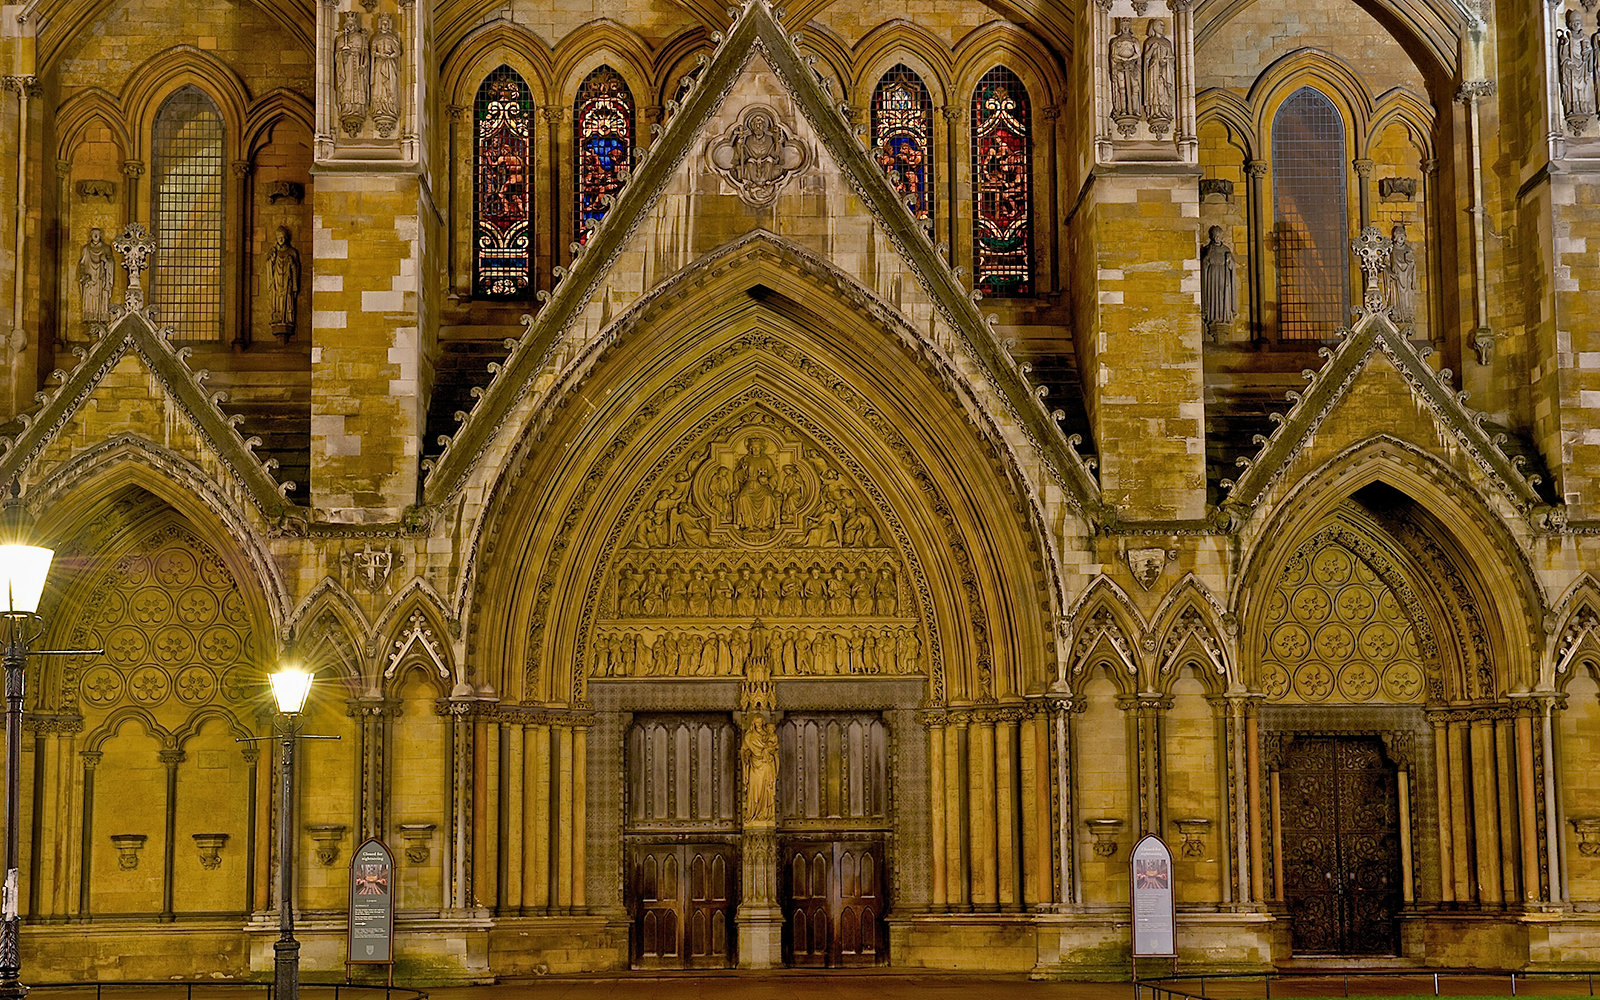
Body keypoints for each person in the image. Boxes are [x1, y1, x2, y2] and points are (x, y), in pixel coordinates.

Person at [267, 226, 301, 339]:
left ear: (286, 237)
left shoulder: (292, 252)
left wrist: (292, 264)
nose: (280, 239)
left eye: (282, 237)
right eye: (278, 237)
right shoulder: (274, 252)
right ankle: (276, 318)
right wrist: (271, 260)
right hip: (276, 284)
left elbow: (296, 269)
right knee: (277, 301)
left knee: (288, 301)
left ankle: (287, 320)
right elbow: (269, 267)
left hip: (287, 284)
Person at [78, 227, 114, 325]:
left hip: (101, 280)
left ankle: (100, 319)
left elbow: (111, 263)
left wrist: (105, 261)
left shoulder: (106, 248)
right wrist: (83, 275)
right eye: (94, 233)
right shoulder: (86, 249)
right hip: (90, 281)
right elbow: (82, 264)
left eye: (98, 233)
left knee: (101, 298)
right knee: (90, 301)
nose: (96, 235)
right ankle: (91, 320)